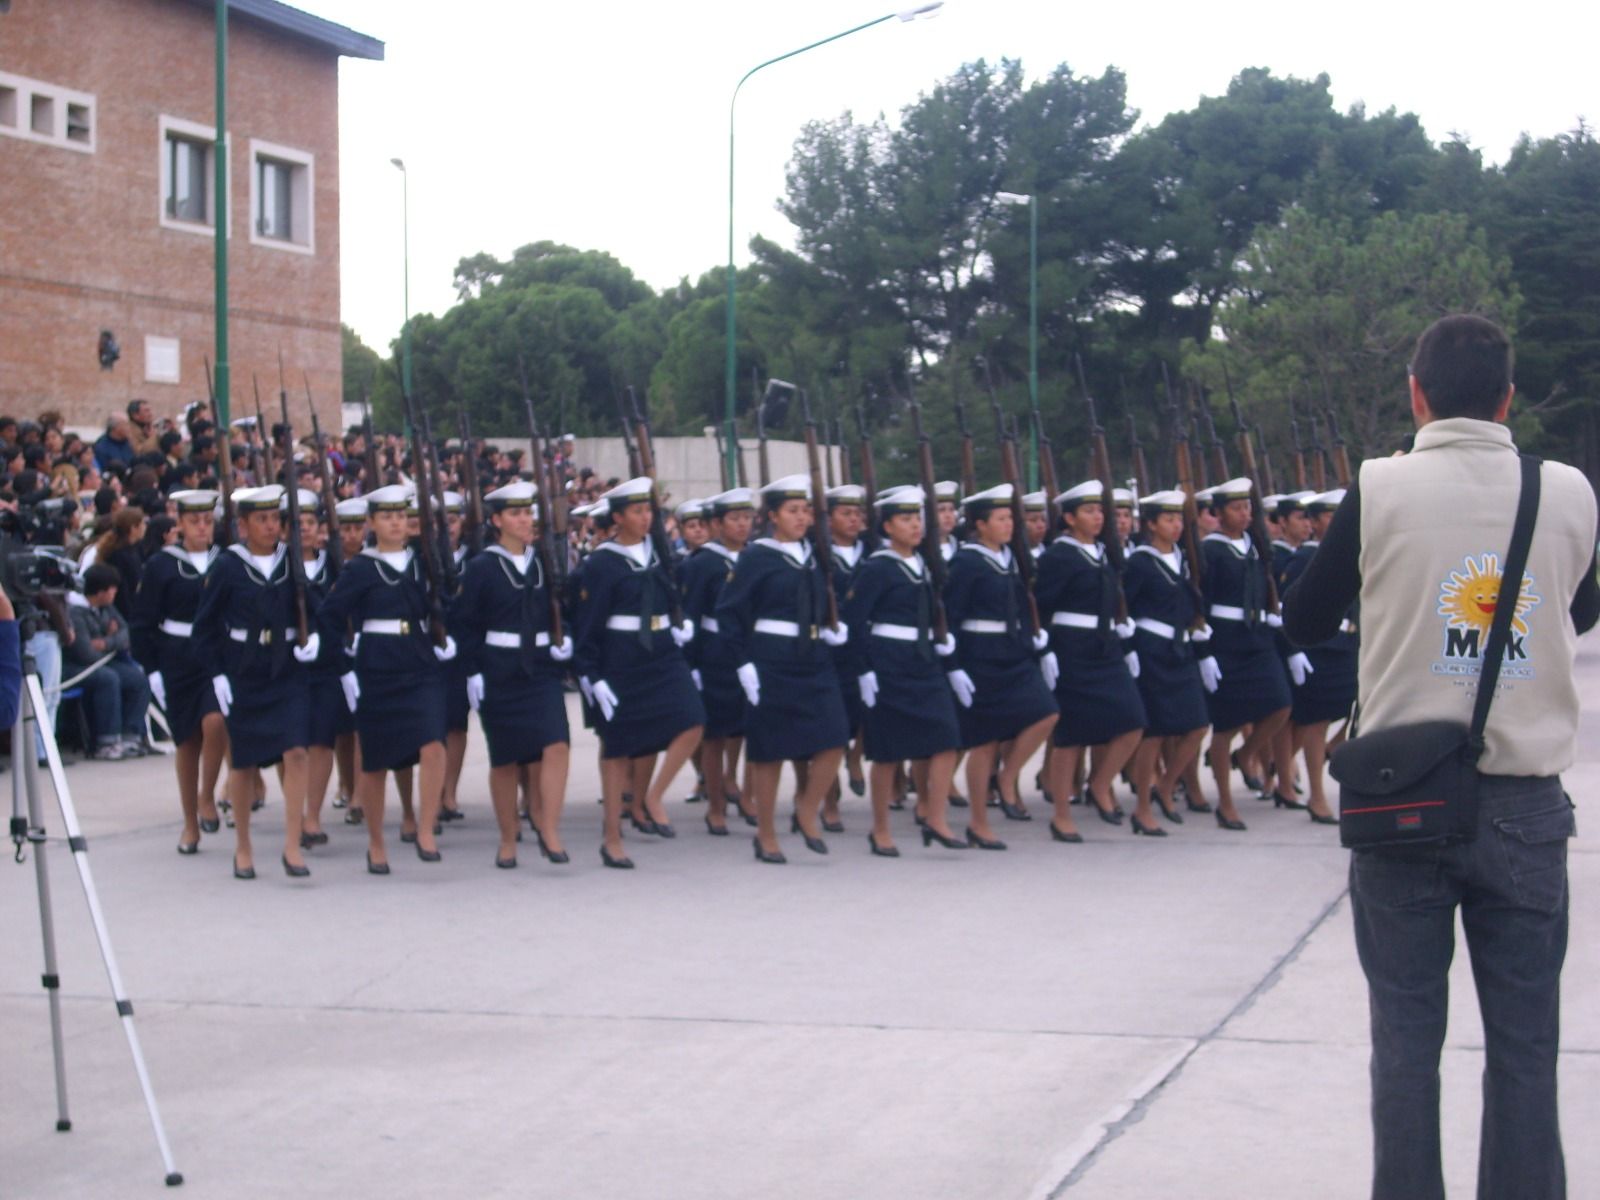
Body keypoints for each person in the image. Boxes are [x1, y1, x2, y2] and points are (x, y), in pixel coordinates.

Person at [1284, 315, 1598, 1200]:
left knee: (1406, 1044)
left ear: (1415, 393)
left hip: (1401, 798)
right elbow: (1580, 610)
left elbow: (1304, 620)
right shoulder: (1567, 489)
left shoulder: (1379, 486)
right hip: (1526, 807)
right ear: (1507, 397)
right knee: (1528, 1045)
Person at [316, 485, 458, 874]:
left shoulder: (423, 560)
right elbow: (329, 616)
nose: (396, 523)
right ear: (372, 524)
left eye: (401, 516)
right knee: (376, 761)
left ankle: (425, 828)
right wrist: (343, 666)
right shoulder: (360, 568)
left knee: (433, 744)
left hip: (419, 658)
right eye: (387, 517)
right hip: (377, 664)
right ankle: (377, 842)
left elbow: (447, 601)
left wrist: (445, 635)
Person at [714, 475, 850, 863]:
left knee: (834, 735)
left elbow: (830, 598)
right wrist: (742, 663)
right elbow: (730, 612)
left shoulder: (816, 554)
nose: (802, 518)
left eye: (806, 510)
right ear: (772, 516)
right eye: (793, 511)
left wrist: (832, 626)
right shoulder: (758, 556)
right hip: (771, 658)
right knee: (770, 750)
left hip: (814, 656)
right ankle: (766, 834)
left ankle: (807, 809)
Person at [570, 477, 704, 868]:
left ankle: (652, 795)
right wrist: (591, 675)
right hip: (622, 659)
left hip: (663, 654)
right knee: (618, 748)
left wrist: (681, 623)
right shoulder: (602, 564)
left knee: (693, 720)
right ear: (617, 517)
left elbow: (673, 595)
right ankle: (611, 836)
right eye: (637, 511)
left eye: (650, 511)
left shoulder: (662, 555)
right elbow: (589, 626)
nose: (646, 518)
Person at [191, 485, 321, 880]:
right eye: (260, 520)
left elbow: (315, 609)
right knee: (245, 763)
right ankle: (243, 846)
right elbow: (205, 627)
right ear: (243, 525)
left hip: (287, 669)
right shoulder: (229, 565)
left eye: (274, 519)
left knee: (297, 751)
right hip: (244, 670)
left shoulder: (291, 560)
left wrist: (314, 636)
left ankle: (292, 844)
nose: (270, 527)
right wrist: (217, 675)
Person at [452, 482, 575, 868]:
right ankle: (507, 837)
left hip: (539, 665)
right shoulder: (482, 567)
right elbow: (465, 623)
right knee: (504, 759)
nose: (525, 520)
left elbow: (564, 605)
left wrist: (564, 638)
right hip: (499, 667)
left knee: (556, 745)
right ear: (496, 521)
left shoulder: (544, 561)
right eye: (516, 514)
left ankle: (549, 827)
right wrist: (471, 671)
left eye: (528, 513)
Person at [841, 485, 967, 857]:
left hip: (924, 660)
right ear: (887, 526)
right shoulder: (877, 568)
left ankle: (936, 817)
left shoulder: (925, 563)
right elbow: (853, 621)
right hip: (888, 663)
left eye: (918, 518)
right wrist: (863, 669)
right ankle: (880, 829)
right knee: (888, 752)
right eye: (906, 519)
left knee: (947, 738)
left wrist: (946, 653)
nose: (915, 526)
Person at [942, 484, 1059, 850]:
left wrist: (1036, 643)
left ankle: (1007, 776)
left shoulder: (1011, 557)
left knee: (1046, 714)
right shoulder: (966, 561)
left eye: (1012, 518)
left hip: (1014, 651)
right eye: (1002, 519)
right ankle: (979, 822)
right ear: (980, 524)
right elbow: (951, 614)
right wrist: (953, 664)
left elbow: (1024, 604)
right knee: (984, 742)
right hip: (980, 655)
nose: (1010, 525)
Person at [1034, 482, 1146, 840]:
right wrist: (1044, 649)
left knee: (1133, 720)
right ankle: (1062, 813)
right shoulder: (1058, 556)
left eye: (1100, 511)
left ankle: (1100, 784)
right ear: (1068, 518)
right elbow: (1042, 605)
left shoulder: (1102, 551)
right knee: (1071, 735)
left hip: (1105, 646)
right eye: (1089, 511)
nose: (1098, 518)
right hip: (1072, 648)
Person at [130, 489, 227, 852]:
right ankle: (190, 824)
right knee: (186, 741)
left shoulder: (226, 561)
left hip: (215, 655)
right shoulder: (162, 565)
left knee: (216, 721)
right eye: (194, 521)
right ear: (181, 524)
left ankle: (207, 795)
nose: (203, 527)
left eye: (208, 521)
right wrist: (152, 669)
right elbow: (142, 623)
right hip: (177, 658)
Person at [1199, 477, 1293, 831]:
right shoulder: (1211, 550)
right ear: (1219, 513)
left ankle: (1247, 753)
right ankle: (1225, 803)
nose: (1244, 514)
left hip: (1257, 639)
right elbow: (1202, 601)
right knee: (1225, 725)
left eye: (1247, 508)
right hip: (1226, 641)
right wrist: (1204, 649)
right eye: (1236, 509)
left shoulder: (1255, 547)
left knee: (1280, 704)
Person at [1122, 490, 1213, 833]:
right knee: (1155, 733)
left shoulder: (1182, 557)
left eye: (1179, 519)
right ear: (1150, 525)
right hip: (1152, 651)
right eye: (1168, 519)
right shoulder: (1141, 562)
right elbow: (1125, 607)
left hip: (1181, 650)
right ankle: (1143, 806)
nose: (1176, 526)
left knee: (1197, 725)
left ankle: (1167, 783)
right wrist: (1128, 647)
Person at [678, 487, 753, 835]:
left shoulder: (755, 556)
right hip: (715, 650)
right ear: (717, 524)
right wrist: (690, 663)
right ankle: (715, 803)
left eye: (747, 518)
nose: (742, 525)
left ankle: (733, 779)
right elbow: (690, 614)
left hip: (751, 650)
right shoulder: (704, 562)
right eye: (734, 519)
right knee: (714, 733)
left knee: (744, 725)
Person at [1278, 489, 1351, 826]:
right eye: (1329, 516)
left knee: (1355, 709)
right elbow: (1286, 609)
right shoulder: (1304, 559)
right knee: (1315, 722)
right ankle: (1316, 795)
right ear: (1314, 521)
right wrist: (1294, 651)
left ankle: (1336, 748)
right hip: (1319, 649)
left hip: (1348, 645)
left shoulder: (1349, 552)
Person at [67, 563, 151, 760]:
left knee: (137, 679)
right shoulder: (76, 612)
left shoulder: (107, 608)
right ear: (101, 591)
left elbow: (125, 634)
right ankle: (107, 740)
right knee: (108, 679)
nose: (115, 593)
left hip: (104, 659)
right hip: (78, 667)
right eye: (112, 589)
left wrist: (105, 642)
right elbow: (85, 652)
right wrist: (113, 642)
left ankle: (131, 735)